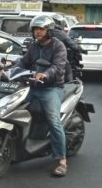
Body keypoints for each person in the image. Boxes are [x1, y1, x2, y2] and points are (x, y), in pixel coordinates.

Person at [16, 15, 68, 177]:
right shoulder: (34, 46)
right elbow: (23, 62)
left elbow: (57, 67)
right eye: (35, 29)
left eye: (41, 29)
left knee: (54, 121)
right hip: (32, 86)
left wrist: (44, 75)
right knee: (14, 110)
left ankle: (61, 160)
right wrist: (10, 69)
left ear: (49, 31)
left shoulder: (59, 47)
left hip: (51, 88)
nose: (38, 32)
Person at [51, 16, 85, 81]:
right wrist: (82, 50)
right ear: (61, 23)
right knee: (68, 66)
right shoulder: (62, 34)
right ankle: (70, 82)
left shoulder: (46, 32)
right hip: (57, 56)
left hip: (44, 56)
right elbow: (73, 45)